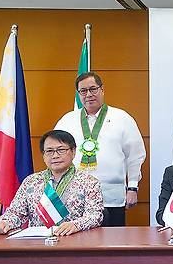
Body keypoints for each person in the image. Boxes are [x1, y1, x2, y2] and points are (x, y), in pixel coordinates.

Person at [55, 72, 146, 227]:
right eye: (83, 91)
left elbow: (135, 156)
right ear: (78, 94)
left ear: (102, 90)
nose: (88, 94)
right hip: (75, 198)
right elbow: (55, 154)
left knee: (112, 245)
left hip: (111, 196)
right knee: (78, 245)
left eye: (93, 89)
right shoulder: (67, 121)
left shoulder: (122, 118)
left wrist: (132, 188)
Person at [0, 130, 103, 236]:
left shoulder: (89, 182)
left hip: (73, 240)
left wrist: (76, 225)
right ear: (43, 155)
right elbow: (16, 213)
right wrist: (4, 223)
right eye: (49, 151)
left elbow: (94, 216)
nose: (55, 155)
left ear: (73, 152)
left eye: (61, 150)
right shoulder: (31, 182)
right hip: (38, 244)